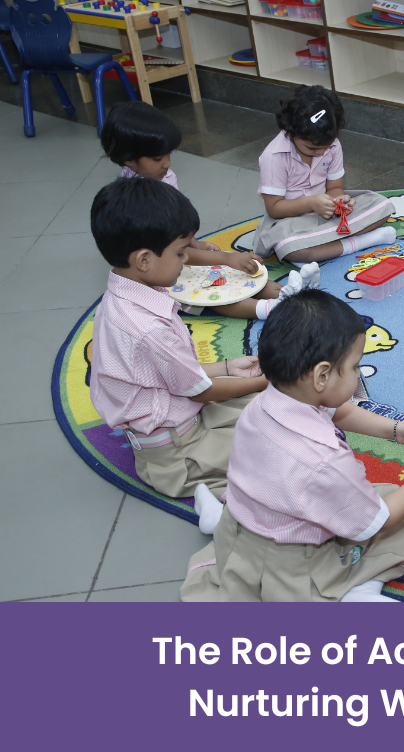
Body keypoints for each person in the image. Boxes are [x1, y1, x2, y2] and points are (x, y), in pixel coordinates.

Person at [180, 290, 404, 602]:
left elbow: (338, 411)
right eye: (355, 366)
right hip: (291, 563)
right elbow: (381, 520)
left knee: (379, 495)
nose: (358, 374)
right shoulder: (326, 462)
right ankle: (356, 588)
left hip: (241, 528)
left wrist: (395, 429)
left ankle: (219, 521)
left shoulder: (264, 403)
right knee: (398, 520)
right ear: (322, 375)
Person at [89, 177, 274, 521]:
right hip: (178, 452)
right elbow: (202, 390)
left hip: (181, 413)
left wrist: (229, 367)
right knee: (281, 445)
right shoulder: (148, 328)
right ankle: (220, 503)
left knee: (274, 409)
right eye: (180, 253)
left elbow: (167, 376)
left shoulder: (125, 297)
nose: (187, 259)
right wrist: (266, 380)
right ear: (144, 260)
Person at [100, 101, 294, 320]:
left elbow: (177, 229)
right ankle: (269, 309)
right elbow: (169, 251)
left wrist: (194, 243)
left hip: (173, 258)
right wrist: (225, 258)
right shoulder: (138, 205)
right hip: (156, 274)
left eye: (169, 154)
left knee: (221, 270)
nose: (167, 163)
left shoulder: (163, 177)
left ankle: (290, 293)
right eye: (158, 158)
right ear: (128, 159)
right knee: (209, 292)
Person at [252, 85, 397, 264]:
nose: (321, 152)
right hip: (290, 220)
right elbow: (274, 208)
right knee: (288, 247)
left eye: (326, 147)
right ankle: (360, 242)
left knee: (382, 205)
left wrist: (339, 201)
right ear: (291, 132)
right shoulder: (274, 157)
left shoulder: (333, 145)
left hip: (326, 214)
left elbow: (334, 187)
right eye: (312, 148)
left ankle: (320, 249)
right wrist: (311, 203)